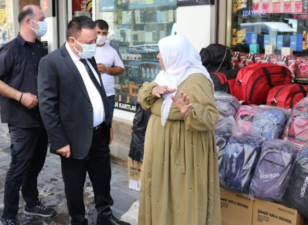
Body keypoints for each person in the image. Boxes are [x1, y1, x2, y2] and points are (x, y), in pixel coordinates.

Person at [38, 16, 130, 225]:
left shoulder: (88, 58)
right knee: (74, 184)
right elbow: (47, 106)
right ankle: (78, 220)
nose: (93, 46)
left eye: (94, 40)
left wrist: (107, 122)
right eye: (88, 42)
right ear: (72, 41)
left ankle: (105, 215)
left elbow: (98, 92)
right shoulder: (51, 62)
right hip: (73, 138)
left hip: (99, 134)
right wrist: (59, 141)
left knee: (102, 178)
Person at [137, 35, 221, 225]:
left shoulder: (197, 79)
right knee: (159, 191)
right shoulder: (164, 76)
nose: (158, 56)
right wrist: (152, 91)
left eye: (162, 52)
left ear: (174, 54)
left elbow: (211, 117)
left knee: (182, 195)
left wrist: (188, 111)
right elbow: (143, 98)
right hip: (159, 149)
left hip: (185, 151)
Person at [0, 5, 56, 225]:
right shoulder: (11, 49)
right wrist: (20, 96)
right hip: (21, 121)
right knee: (18, 168)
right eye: (42, 18)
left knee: (34, 166)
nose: (45, 23)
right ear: (29, 21)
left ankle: (31, 204)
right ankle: (8, 215)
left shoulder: (39, 48)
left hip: (41, 120)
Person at [94, 19, 124, 127]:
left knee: (107, 126)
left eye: (104, 33)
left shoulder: (112, 49)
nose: (101, 36)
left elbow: (121, 69)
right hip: (90, 95)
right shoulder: (86, 47)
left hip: (108, 95)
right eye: (98, 33)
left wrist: (107, 70)